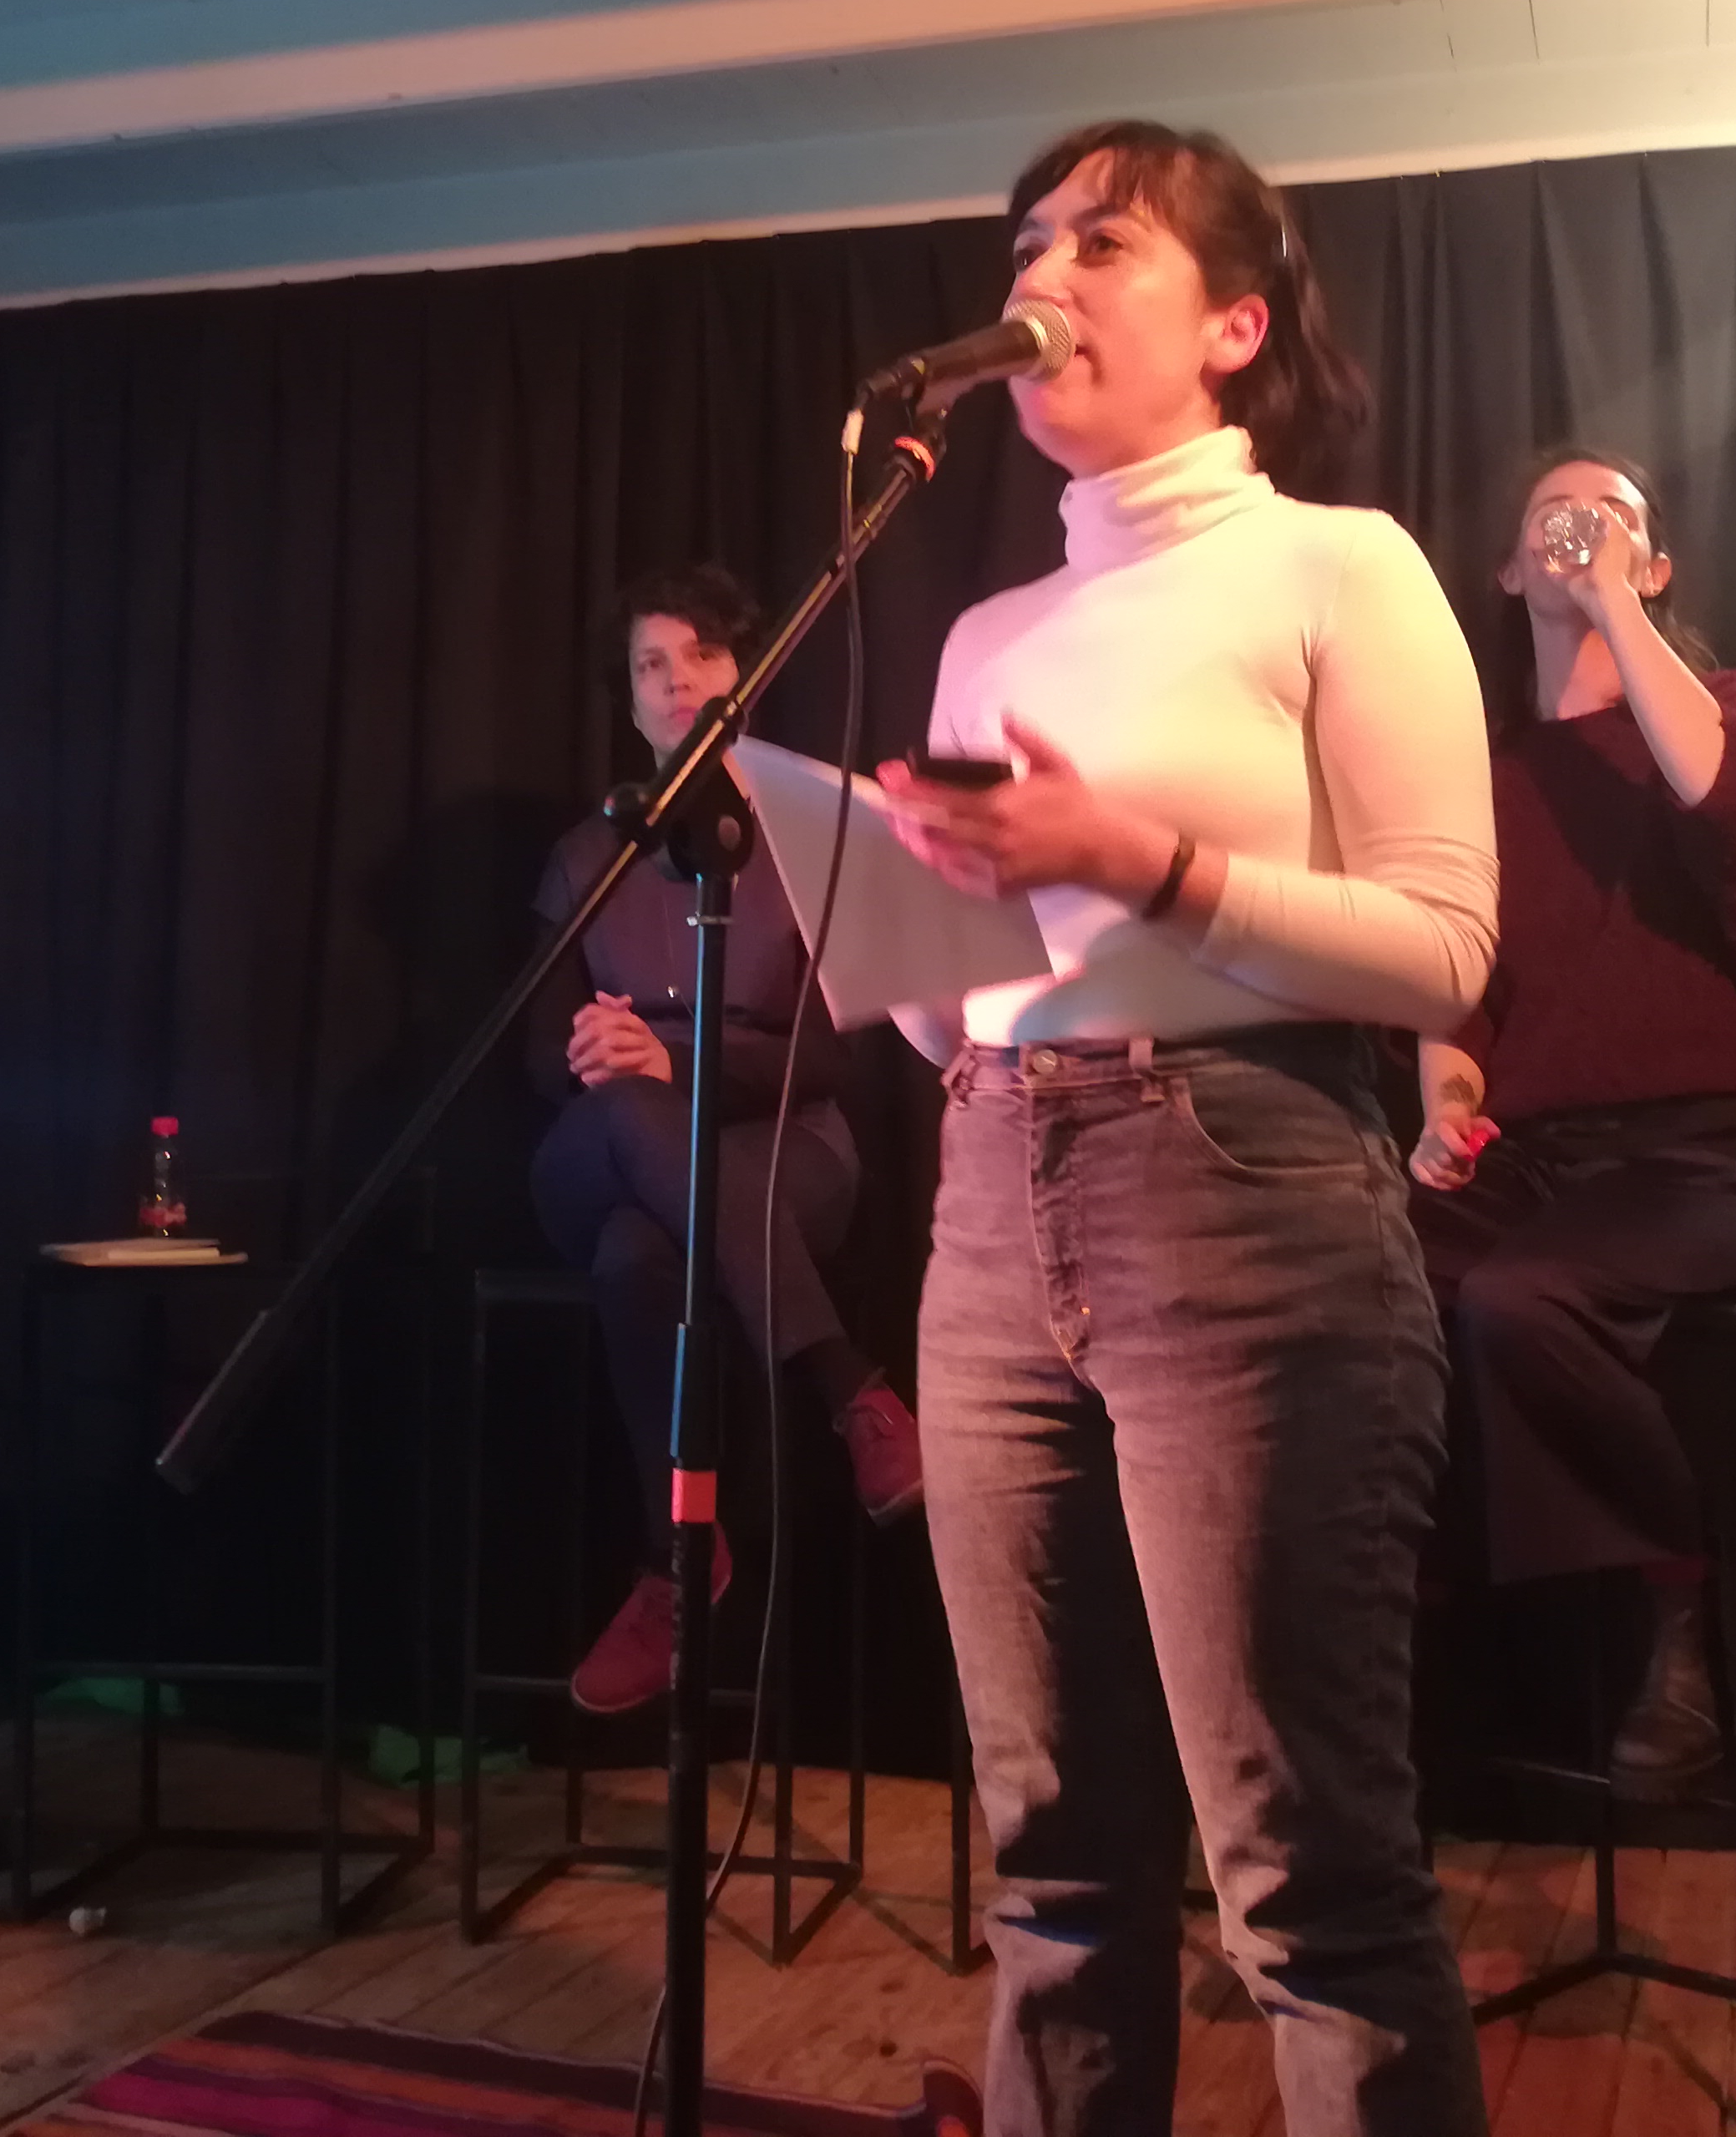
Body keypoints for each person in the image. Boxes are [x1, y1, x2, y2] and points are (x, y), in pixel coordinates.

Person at [878, 122, 1496, 2137]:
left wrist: (1132, 858)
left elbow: (1443, 949)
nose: (1040, 278)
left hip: (1242, 1195)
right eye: (1025, 246)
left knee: (1304, 1875)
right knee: (1049, 1862)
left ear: (1233, 325)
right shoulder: (986, 632)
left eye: (1101, 244)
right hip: (990, 1194)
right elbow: (960, 1005)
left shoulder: (1337, 564)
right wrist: (895, 920)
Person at [1408, 445, 1736, 1800]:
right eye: (1552, 518)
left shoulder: (1728, 709)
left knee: (1521, 1299)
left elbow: (1727, 798)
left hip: (1703, 1157)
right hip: (1539, 1162)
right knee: (1354, 1283)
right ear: (1506, 570)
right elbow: (1461, 995)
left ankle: (1673, 1609)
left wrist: (1618, 608)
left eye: (1612, 519)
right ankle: (1390, 1638)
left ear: (1657, 563)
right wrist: (1447, 1108)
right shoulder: (1480, 779)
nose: (1578, 532)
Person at [526, 563, 926, 1717]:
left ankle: (676, 1565)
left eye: (700, 653)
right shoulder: (585, 855)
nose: (676, 680)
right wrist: (597, 1052)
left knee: (635, 1260)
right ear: (629, 699)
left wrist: (682, 1066)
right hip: (605, 1141)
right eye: (651, 664)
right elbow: (535, 1057)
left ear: (744, 672)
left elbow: (836, 1059)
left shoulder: (809, 837)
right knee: (624, 1117)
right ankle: (852, 1389)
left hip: (785, 1147)